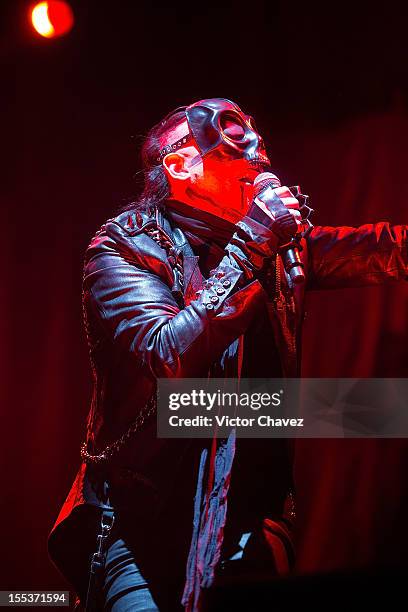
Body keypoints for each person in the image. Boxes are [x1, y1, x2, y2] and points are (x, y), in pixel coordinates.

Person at [48, 98, 408, 611]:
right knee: (365, 408)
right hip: (136, 518)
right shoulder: (123, 247)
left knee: (369, 408)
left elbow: (384, 247)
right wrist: (255, 242)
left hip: (244, 520)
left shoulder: (282, 248)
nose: (258, 154)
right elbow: (169, 357)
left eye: (257, 139)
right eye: (234, 141)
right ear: (180, 166)